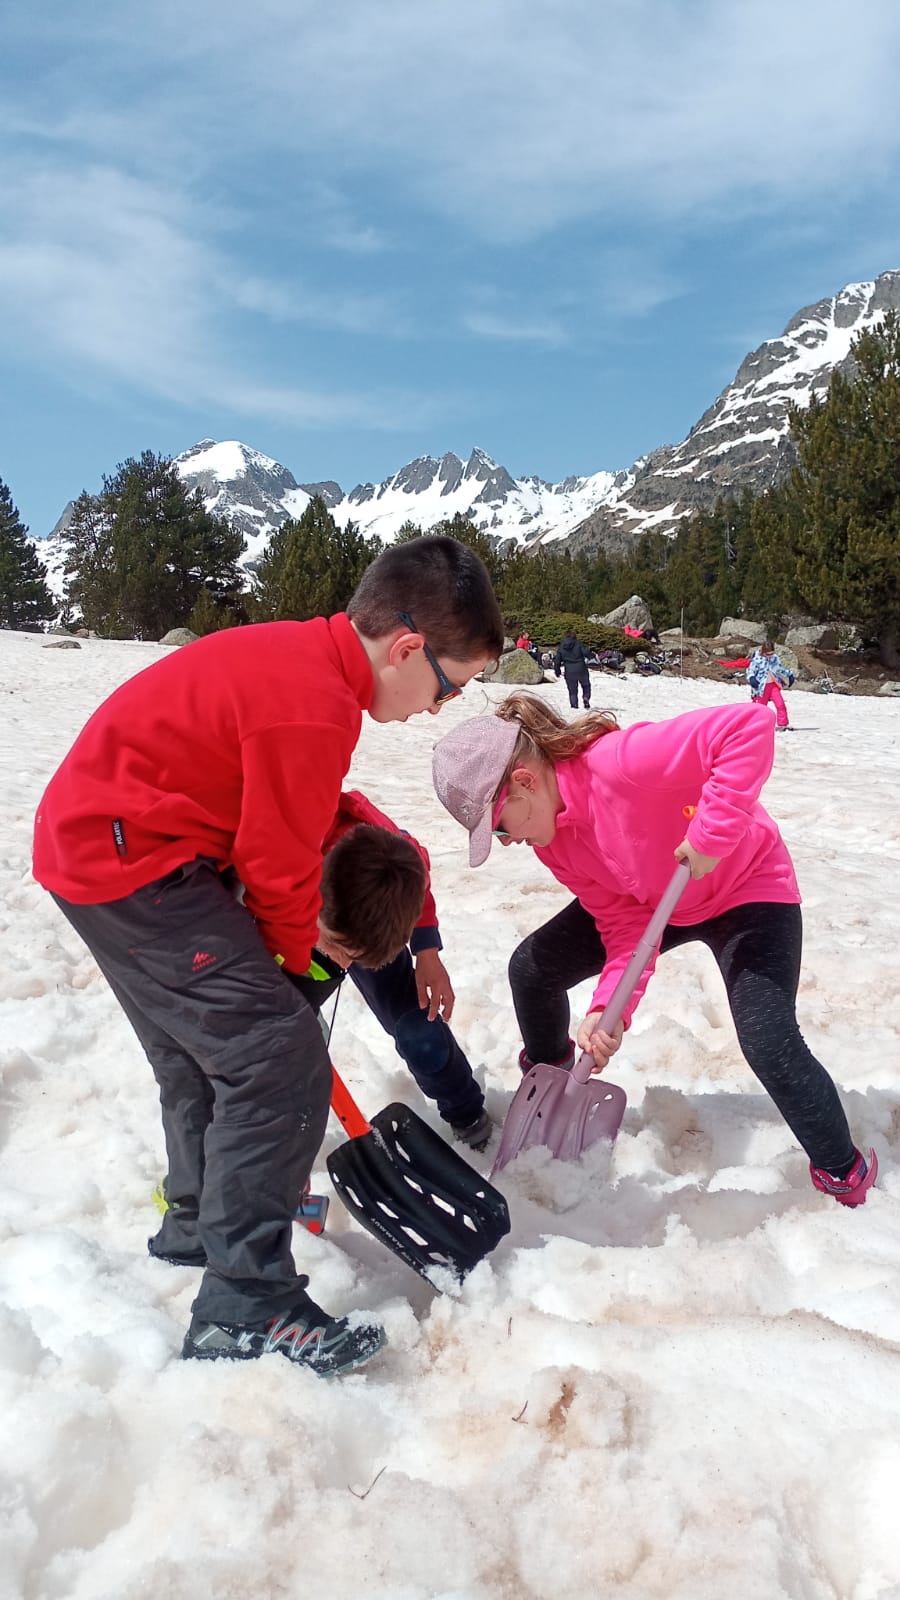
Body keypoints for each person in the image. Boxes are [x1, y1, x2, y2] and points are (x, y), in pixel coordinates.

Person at [33, 536, 505, 1376]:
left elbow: (299, 838)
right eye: (449, 685)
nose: (439, 707)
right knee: (276, 1057)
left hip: (99, 852)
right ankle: (245, 1305)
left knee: (197, 1056)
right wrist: (290, 981)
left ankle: (194, 1223)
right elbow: (279, 867)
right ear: (407, 648)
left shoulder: (301, 665)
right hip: (135, 860)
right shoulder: (314, 702)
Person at [432, 693, 877, 1206]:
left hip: (747, 888)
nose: (507, 841)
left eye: (500, 826)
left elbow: (748, 727)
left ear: (525, 782)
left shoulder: (622, 763)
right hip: (660, 905)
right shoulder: (554, 842)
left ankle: (846, 1174)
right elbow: (624, 922)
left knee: (767, 1038)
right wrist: (608, 1010)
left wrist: (712, 835)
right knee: (531, 970)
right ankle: (554, 1088)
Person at [287, 791, 492, 1151]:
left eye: (357, 956)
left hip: (340, 921)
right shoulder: (282, 848)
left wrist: (426, 949)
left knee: (420, 1033)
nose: (345, 966)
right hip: (285, 922)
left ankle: (468, 1115)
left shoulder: (399, 858)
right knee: (277, 1037)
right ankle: (281, 1141)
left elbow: (419, 884)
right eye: (343, 951)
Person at [746, 641, 794, 731]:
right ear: (763, 652)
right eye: (768, 654)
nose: (770, 656)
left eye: (772, 653)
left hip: (773, 685)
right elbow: (750, 671)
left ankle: (783, 724)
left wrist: (789, 674)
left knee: (780, 704)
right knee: (761, 707)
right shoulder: (757, 659)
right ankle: (757, 725)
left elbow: (779, 669)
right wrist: (752, 678)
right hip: (761, 687)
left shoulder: (774, 658)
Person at [554, 628, 592, 709]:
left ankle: (574, 707)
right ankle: (586, 697)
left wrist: (557, 671)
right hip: (581, 668)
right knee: (586, 685)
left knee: (572, 691)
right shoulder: (578, 643)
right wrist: (591, 655)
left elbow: (557, 661)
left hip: (569, 670)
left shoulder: (561, 646)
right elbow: (586, 652)